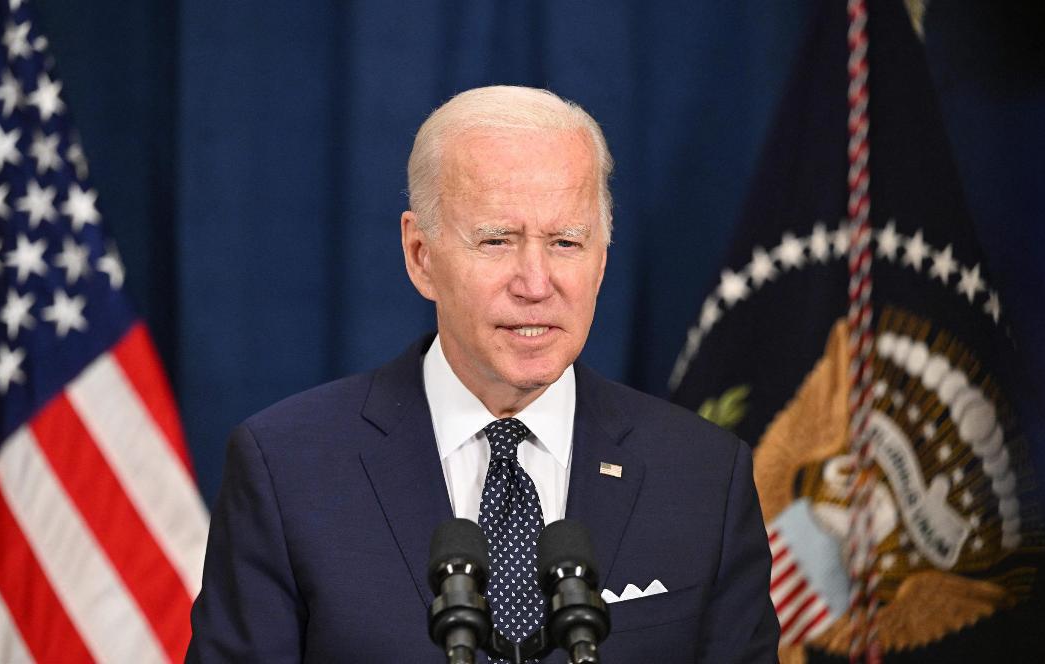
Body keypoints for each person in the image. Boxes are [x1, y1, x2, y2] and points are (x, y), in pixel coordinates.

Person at [186, 86, 779, 662]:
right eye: (497, 240)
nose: (536, 283)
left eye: (567, 242)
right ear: (421, 256)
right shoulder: (288, 470)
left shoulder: (704, 476)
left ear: (602, 258)